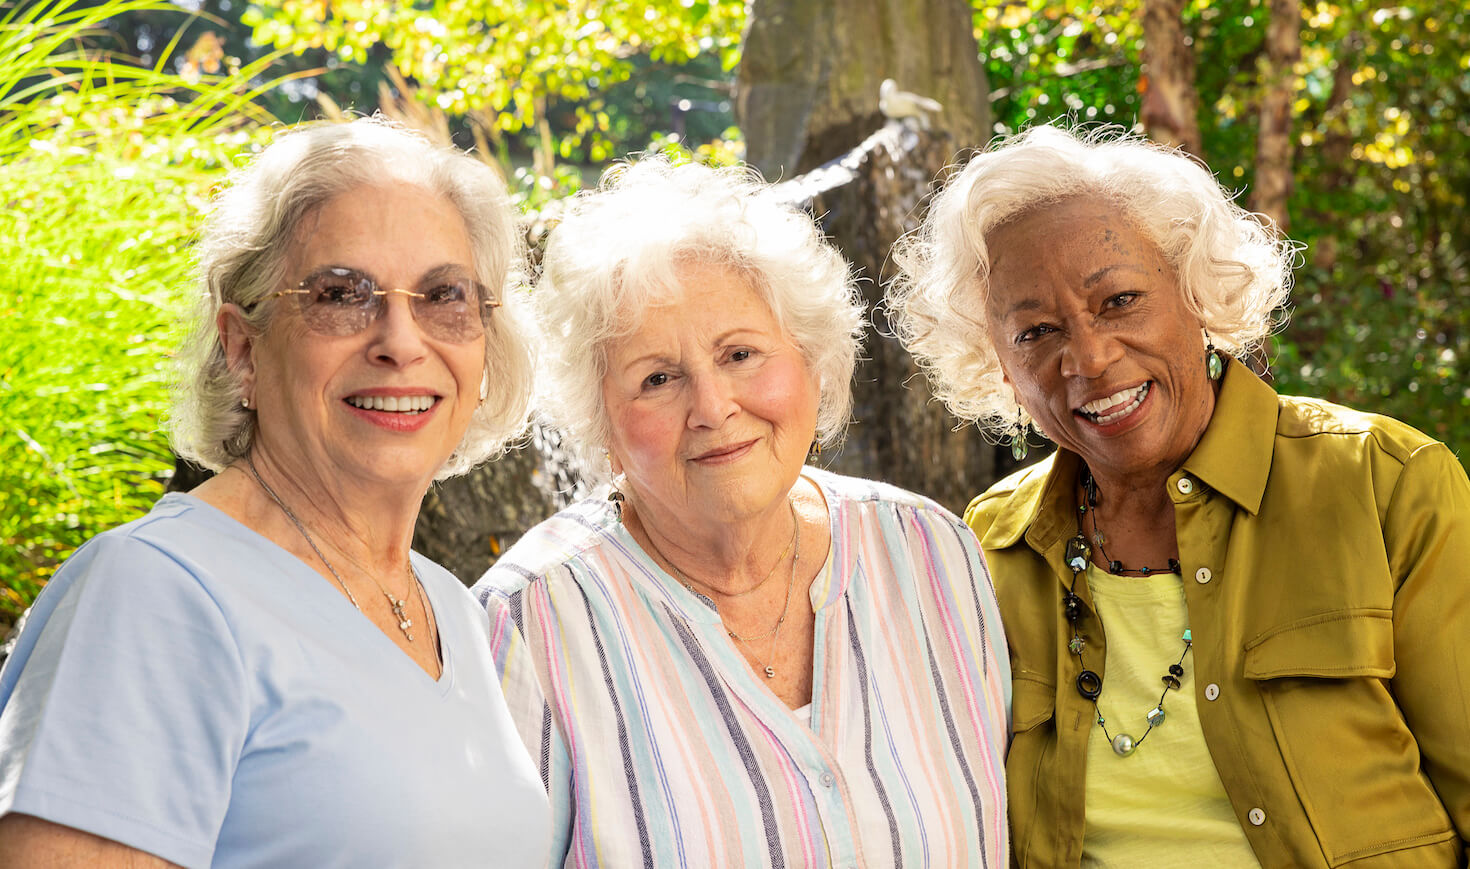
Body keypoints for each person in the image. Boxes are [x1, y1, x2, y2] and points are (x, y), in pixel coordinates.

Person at [887, 123, 1470, 867]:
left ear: (1197, 293)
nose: (1089, 359)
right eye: (1036, 331)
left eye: (1121, 299)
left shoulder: (1386, 483)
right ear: (998, 364)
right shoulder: (990, 547)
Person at [0, 117, 550, 867]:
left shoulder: (451, 606)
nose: (400, 339)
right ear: (242, 347)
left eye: (443, 295)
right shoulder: (155, 593)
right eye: (342, 293)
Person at [475, 156, 1011, 868]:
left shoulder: (932, 553)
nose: (713, 407)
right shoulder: (530, 623)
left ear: (812, 362)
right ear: (601, 422)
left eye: (740, 353)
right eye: (657, 378)